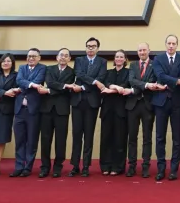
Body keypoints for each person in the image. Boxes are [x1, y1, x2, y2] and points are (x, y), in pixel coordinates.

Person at [152, 34, 180, 181]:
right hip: (160, 102)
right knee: (160, 137)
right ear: (165, 44)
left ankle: (174, 170)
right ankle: (161, 169)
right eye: (169, 43)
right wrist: (178, 81)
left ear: (177, 45)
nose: (171, 46)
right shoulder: (158, 59)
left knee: (177, 137)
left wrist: (173, 81)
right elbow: (160, 76)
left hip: (176, 102)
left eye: (173, 43)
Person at [67, 37, 107, 177]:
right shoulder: (79, 60)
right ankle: (75, 166)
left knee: (89, 135)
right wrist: (94, 82)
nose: (90, 48)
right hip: (77, 102)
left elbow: (101, 77)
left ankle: (85, 166)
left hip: (92, 103)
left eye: (93, 46)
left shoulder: (102, 62)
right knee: (76, 134)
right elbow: (79, 74)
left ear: (97, 48)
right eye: (88, 46)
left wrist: (84, 86)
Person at [37, 48, 74, 178]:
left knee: (61, 140)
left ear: (69, 59)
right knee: (45, 139)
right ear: (57, 57)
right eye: (61, 55)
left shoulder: (72, 72)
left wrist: (49, 91)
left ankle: (58, 167)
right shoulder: (49, 69)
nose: (63, 57)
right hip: (46, 108)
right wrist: (64, 86)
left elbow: (65, 89)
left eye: (66, 55)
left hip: (62, 110)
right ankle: (44, 167)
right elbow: (50, 82)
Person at [124, 42, 160, 178]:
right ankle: (132, 166)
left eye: (144, 50)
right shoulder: (133, 65)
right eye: (140, 50)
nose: (142, 52)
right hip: (133, 105)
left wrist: (143, 85)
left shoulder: (154, 64)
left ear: (149, 51)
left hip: (147, 105)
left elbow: (153, 80)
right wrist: (146, 85)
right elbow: (131, 80)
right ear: (137, 52)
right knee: (132, 137)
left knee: (147, 137)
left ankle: (145, 166)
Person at [11, 47, 46, 178]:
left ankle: (28, 167)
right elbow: (19, 80)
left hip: (33, 110)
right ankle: (19, 166)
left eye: (34, 56)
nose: (31, 58)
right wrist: (32, 85)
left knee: (31, 140)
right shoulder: (22, 68)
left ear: (39, 58)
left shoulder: (42, 68)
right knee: (19, 140)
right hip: (19, 110)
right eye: (29, 56)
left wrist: (25, 85)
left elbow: (38, 81)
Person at [99, 50, 130, 175]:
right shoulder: (108, 72)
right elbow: (105, 83)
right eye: (117, 56)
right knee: (106, 138)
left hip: (121, 110)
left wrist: (111, 90)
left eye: (121, 57)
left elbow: (125, 85)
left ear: (125, 59)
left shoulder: (129, 72)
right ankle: (105, 166)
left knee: (120, 139)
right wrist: (115, 87)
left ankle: (118, 167)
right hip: (107, 109)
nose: (119, 59)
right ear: (114, 59)